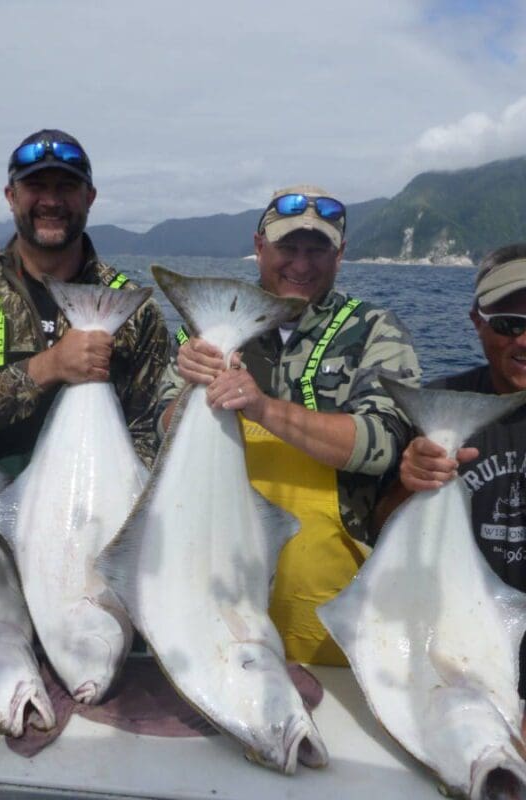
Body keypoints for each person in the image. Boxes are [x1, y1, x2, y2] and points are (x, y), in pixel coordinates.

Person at [156, 185, 420, 665]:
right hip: (209, 577)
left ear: (339, 256)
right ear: (259, 246)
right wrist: (193, 388)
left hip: (330, 610)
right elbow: (161, 431)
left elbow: (383, 442)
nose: (301, 263)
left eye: (317, 249)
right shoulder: (206, 330)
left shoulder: (374, 328)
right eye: (287, 247)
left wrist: (263, 410)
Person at [0, 129, 171, 474]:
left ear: (90, 197)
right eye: (36, 187)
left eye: (66, 187)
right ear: (11, 196)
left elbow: (147, 433)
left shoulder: (134, 308)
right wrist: (52, 366)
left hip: (94, 512)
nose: (51, 201)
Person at [374, 243, 526, 693]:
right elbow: (380, 529)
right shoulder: (434, 412)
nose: (524, 341)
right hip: (449, 654)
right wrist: (409, 486)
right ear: (477, 322)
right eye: (507, 325)